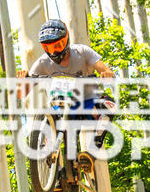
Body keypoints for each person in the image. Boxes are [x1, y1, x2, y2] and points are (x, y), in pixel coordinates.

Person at [17, 19, 115, 151]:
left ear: (66, 38)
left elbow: (105, 71)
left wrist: (107, 74)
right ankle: (46, 146)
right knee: (69, 146)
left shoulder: (82, 51)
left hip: (88, 102)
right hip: (62, 105)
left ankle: (95, 142)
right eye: (48, 48)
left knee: (109, 105)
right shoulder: (42, 62)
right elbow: (21, 94)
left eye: (58, 45)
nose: (53, 52)